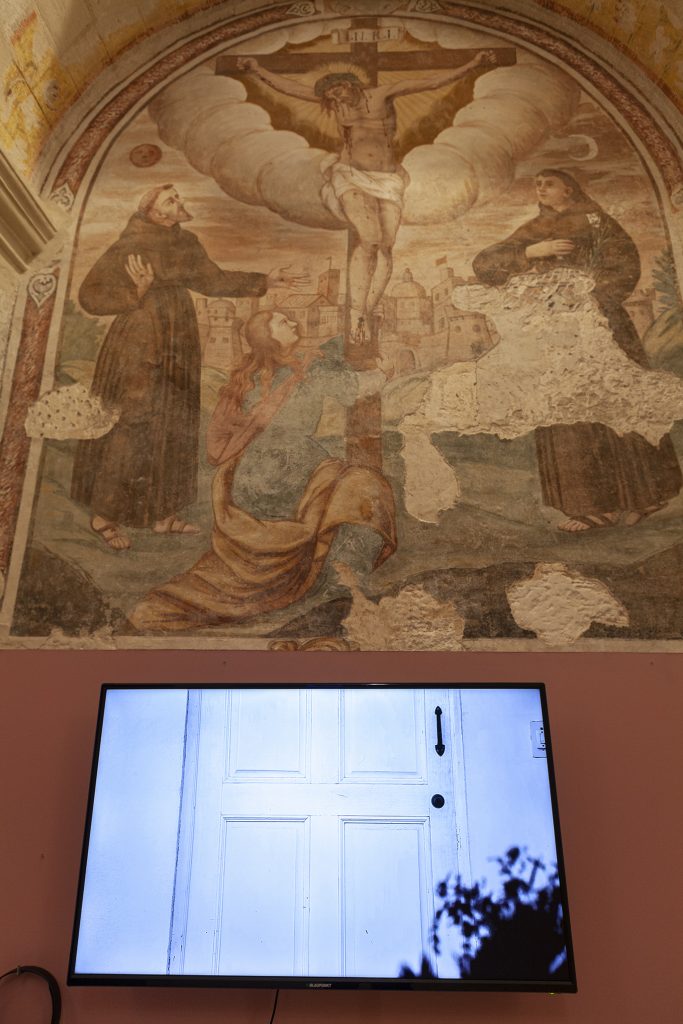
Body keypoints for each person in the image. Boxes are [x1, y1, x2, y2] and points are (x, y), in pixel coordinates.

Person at [129, 310, 397, 631]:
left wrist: (353, 334)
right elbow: (356, 388)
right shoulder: (309, 368)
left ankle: (329, 576)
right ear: (270, 338)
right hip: (292, 471)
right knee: (366, 487)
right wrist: (386, 372)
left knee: (342, 490)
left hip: (247, 481)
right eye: (284, 322)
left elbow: (328, 350)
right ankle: (341, 582)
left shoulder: (249, 376)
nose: (295, 322)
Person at [71, 184, 306, 550]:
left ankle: (163, 514)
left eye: (178, 196)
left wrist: (264, 281)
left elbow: (212, 281)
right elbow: (90, 296)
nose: (179, 202)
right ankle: (105, 515)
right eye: (171, 199)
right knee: (132, 422)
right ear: (154, 212)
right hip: (139, 338)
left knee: (176, 420)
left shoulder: (187, 242)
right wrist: (136, 292)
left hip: (178, 336)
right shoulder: (130, 244)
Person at [473, 168, 682, 531]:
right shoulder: (535, 228)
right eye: (537, 184)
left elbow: (625, 265)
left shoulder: (596, 221)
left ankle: (647, 496)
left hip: (602, 325)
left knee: (621, 402)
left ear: (568, 189)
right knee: (569, 410)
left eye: (548, 183)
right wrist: (532, 251)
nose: (540, 189)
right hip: (558, 333)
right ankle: (592, 506)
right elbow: (484, 264)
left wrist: (587, 297)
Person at [237, 52, 495, 343]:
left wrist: (472, 64)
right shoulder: (338, 104)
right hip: (350, 174)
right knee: (369, 239)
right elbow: (291, 88)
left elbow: (431, 82)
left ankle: (366, 312)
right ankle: (356, 311)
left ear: (349, 83)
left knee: (385, 247)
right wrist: (257, 69)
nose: (337, 99)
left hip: (387, 179)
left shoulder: (382, 95)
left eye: (338, 91)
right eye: (331, 97)